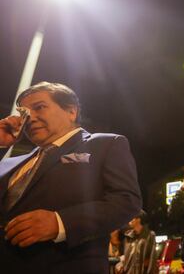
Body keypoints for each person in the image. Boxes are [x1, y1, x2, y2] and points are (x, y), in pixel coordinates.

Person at [0, 81, 142, 273]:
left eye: (39, 107)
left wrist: (60, 222)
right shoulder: (10, 162)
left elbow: (126, 202)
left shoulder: (106, 144)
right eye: (24, 113)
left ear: (71, 111)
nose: (30, 118)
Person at [115, 210, 157, 274]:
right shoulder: (128, 236)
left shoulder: (149, 235)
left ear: (138, 219)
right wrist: (121, 265)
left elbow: (152, 258)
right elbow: (126, 257)